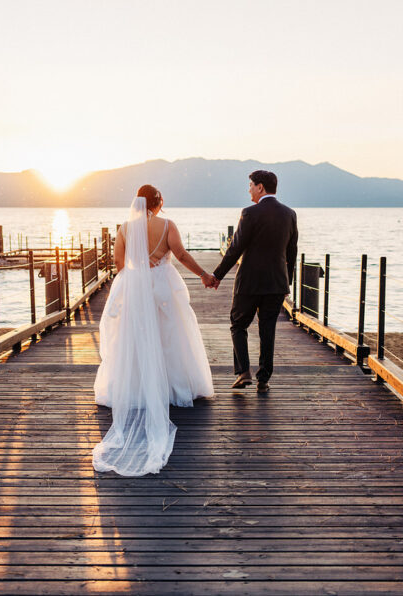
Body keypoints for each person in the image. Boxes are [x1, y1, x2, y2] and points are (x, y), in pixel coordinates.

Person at [93, 184, 215, 476]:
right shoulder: (167, 225)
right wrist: (204, 275)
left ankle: (137, 387)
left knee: (136, 339)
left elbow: (120, 265)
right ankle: (176, 387)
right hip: (163, 286)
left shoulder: (124, 228)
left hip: (136, 289)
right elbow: (182, 255)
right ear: (158, 203)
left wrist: (139, 267)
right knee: (171, 336)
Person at [209, 170, 298, 393]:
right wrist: (288, 282)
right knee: (268, 330)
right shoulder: (289, 214)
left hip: (249, 282)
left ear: (260, 187)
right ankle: (263, 380)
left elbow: (235, 248)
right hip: (277, 283)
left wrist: (217, 275)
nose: (248, 189)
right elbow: (292, 252)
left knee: (238, 325)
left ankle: (243, 372)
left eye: (250, 185)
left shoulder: (249, 213)